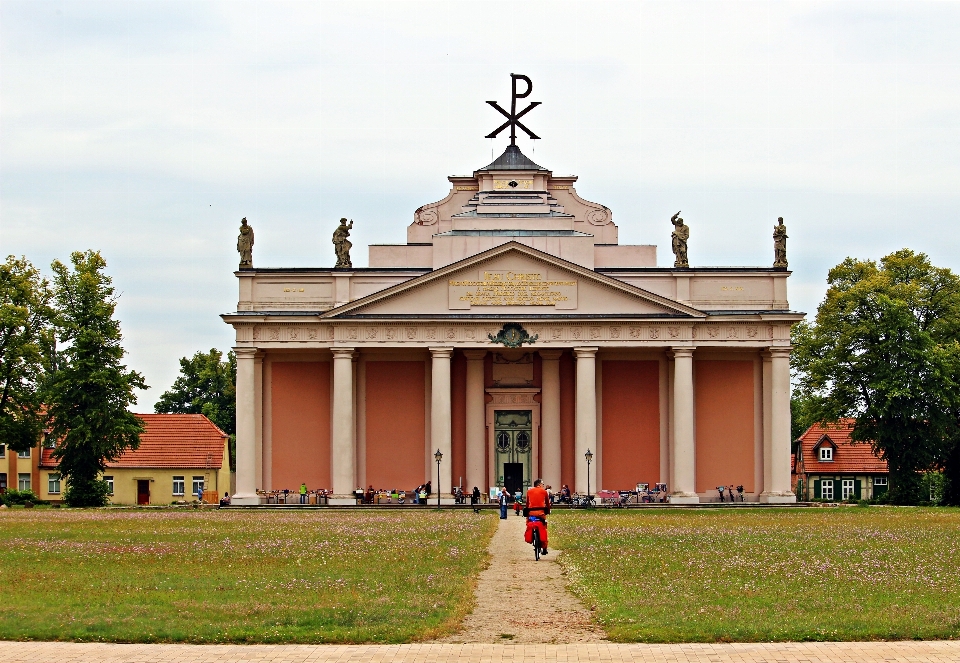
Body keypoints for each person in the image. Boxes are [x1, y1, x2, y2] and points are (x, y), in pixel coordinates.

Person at [524, 479, 550, 555]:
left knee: (529, 523)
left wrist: (528, 512)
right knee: (544, 527)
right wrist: (547, 511)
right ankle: (544, 547)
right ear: (539, 484)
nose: (543, 486)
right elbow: (547, 503)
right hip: (541, 514)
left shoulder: (529, 492)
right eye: (543, 484)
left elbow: (527, 503)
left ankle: (532, 538)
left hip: (531, 513)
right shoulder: (544, 492)